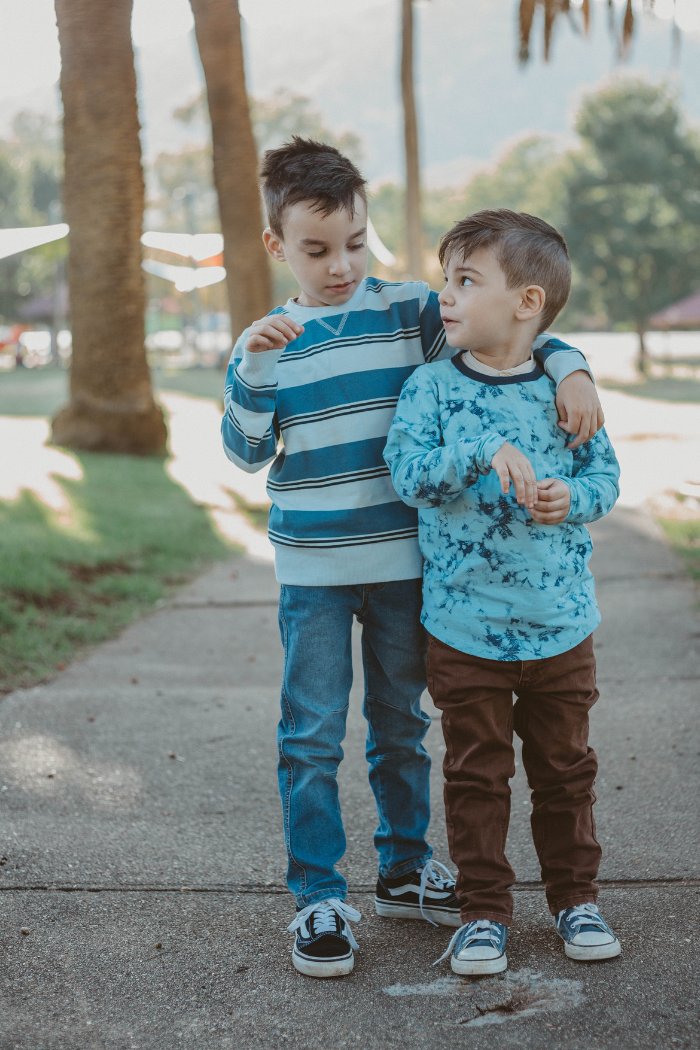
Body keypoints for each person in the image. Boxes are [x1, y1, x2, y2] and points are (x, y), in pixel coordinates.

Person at [221, 141, 603, 978]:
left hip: (405, 569)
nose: (341, 265)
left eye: (356, 242)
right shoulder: (268, 341)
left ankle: (404, 869)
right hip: (315, 573)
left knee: (402, 727)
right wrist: (251, 369)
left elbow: (507, 336)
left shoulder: (410, 312)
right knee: (313, 734)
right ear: (276, 245)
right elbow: (246, 452)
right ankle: (319, 895)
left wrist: (573, 366)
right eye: (317, 250)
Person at [384, 209, 621, 976]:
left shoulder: (568, 394)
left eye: (464, 280)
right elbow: (410, 474)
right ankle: (483, 914)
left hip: (560, 628)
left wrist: (571, 500)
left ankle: (575, 901)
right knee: (476, 777)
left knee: (565, 773)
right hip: (464, 629)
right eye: (445, 278)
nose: (443, 296)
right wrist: (481, 447)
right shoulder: (431, 388)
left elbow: (603, 479)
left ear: (526, 303)